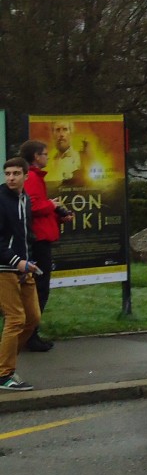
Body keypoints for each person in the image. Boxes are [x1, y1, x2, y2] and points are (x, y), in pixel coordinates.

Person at [19, 139, 74, 352]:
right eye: (44, 153)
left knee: (37, 288)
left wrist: (58, 214)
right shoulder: (32, 177)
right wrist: (51, 205)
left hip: (40, 238)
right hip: (38, 241)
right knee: (39, 289)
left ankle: (29, 333)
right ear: (35, 157)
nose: (47, 157)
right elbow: (32, 206)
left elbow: (37, 206)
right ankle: (30, 335)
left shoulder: (34, 177)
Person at [0, 156, 41, 390]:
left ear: (26, 176)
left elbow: (25, 234)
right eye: (7, 174)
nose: (11, 178)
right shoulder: (1, 199)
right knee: (15, 318)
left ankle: (2, 363)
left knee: (32, 319)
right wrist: (17, 261)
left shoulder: (24, 198)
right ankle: (4, 374)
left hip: (25, 267)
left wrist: (28, 262)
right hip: (5, 267)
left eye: (16, 173)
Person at [48, 119, 83, 186]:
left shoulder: (80, 159)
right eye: (58, 130)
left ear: (71, 133)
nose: (61, 134)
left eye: (65, 129)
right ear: (53, 134)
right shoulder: (48, 161)